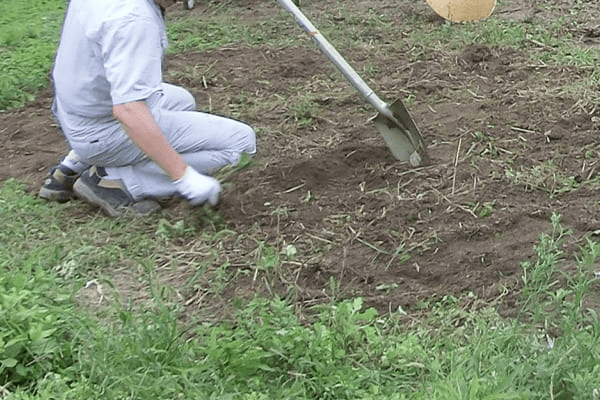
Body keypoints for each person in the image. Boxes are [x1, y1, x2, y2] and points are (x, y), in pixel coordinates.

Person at [39, 0, 256, 217]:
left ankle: (73, 165)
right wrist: (183, 176)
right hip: (100, 129)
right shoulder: (133, 18)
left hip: (76, 106)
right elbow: (128, 110)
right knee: (241, 145)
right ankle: (112, 180)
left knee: (182, 101)